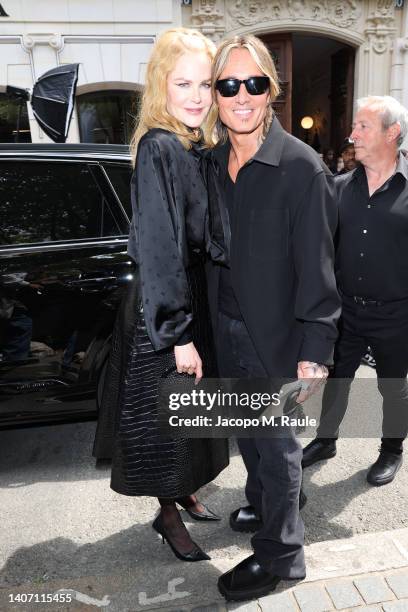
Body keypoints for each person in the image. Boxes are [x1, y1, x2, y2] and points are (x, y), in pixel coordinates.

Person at [206, 34, 340, 601]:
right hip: (227, 328)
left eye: (254, 83)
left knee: (277, 444)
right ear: (216, 94)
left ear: (271, 92)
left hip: (279, 336)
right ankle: (266, 507)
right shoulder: (213, 161)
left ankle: (283, 555)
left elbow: (319, 271)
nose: (242, 95)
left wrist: (316, 352)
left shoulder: (299, 167)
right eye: (229, 84)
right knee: (251, 440)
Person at [93, 27, 229, 562]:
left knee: (191, 416)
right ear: (161, 87)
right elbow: (157, 247)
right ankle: (167, 516)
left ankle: (184, 492)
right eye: (183, 83)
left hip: (186, 295)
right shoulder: (159, 146)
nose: (196, 95)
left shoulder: (194, 146)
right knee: (165, 427)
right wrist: (176, 333)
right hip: (161, 306)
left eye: (205, 83)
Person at [303, 96, 408, 487]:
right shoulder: (339, 187)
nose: (353, 135)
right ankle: (326, 440)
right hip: (345, 308)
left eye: (363, 126)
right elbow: (320, 248)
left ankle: (392, 450)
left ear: (391, 132)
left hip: (397, 312)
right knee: (337, 379)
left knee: (393, 386)